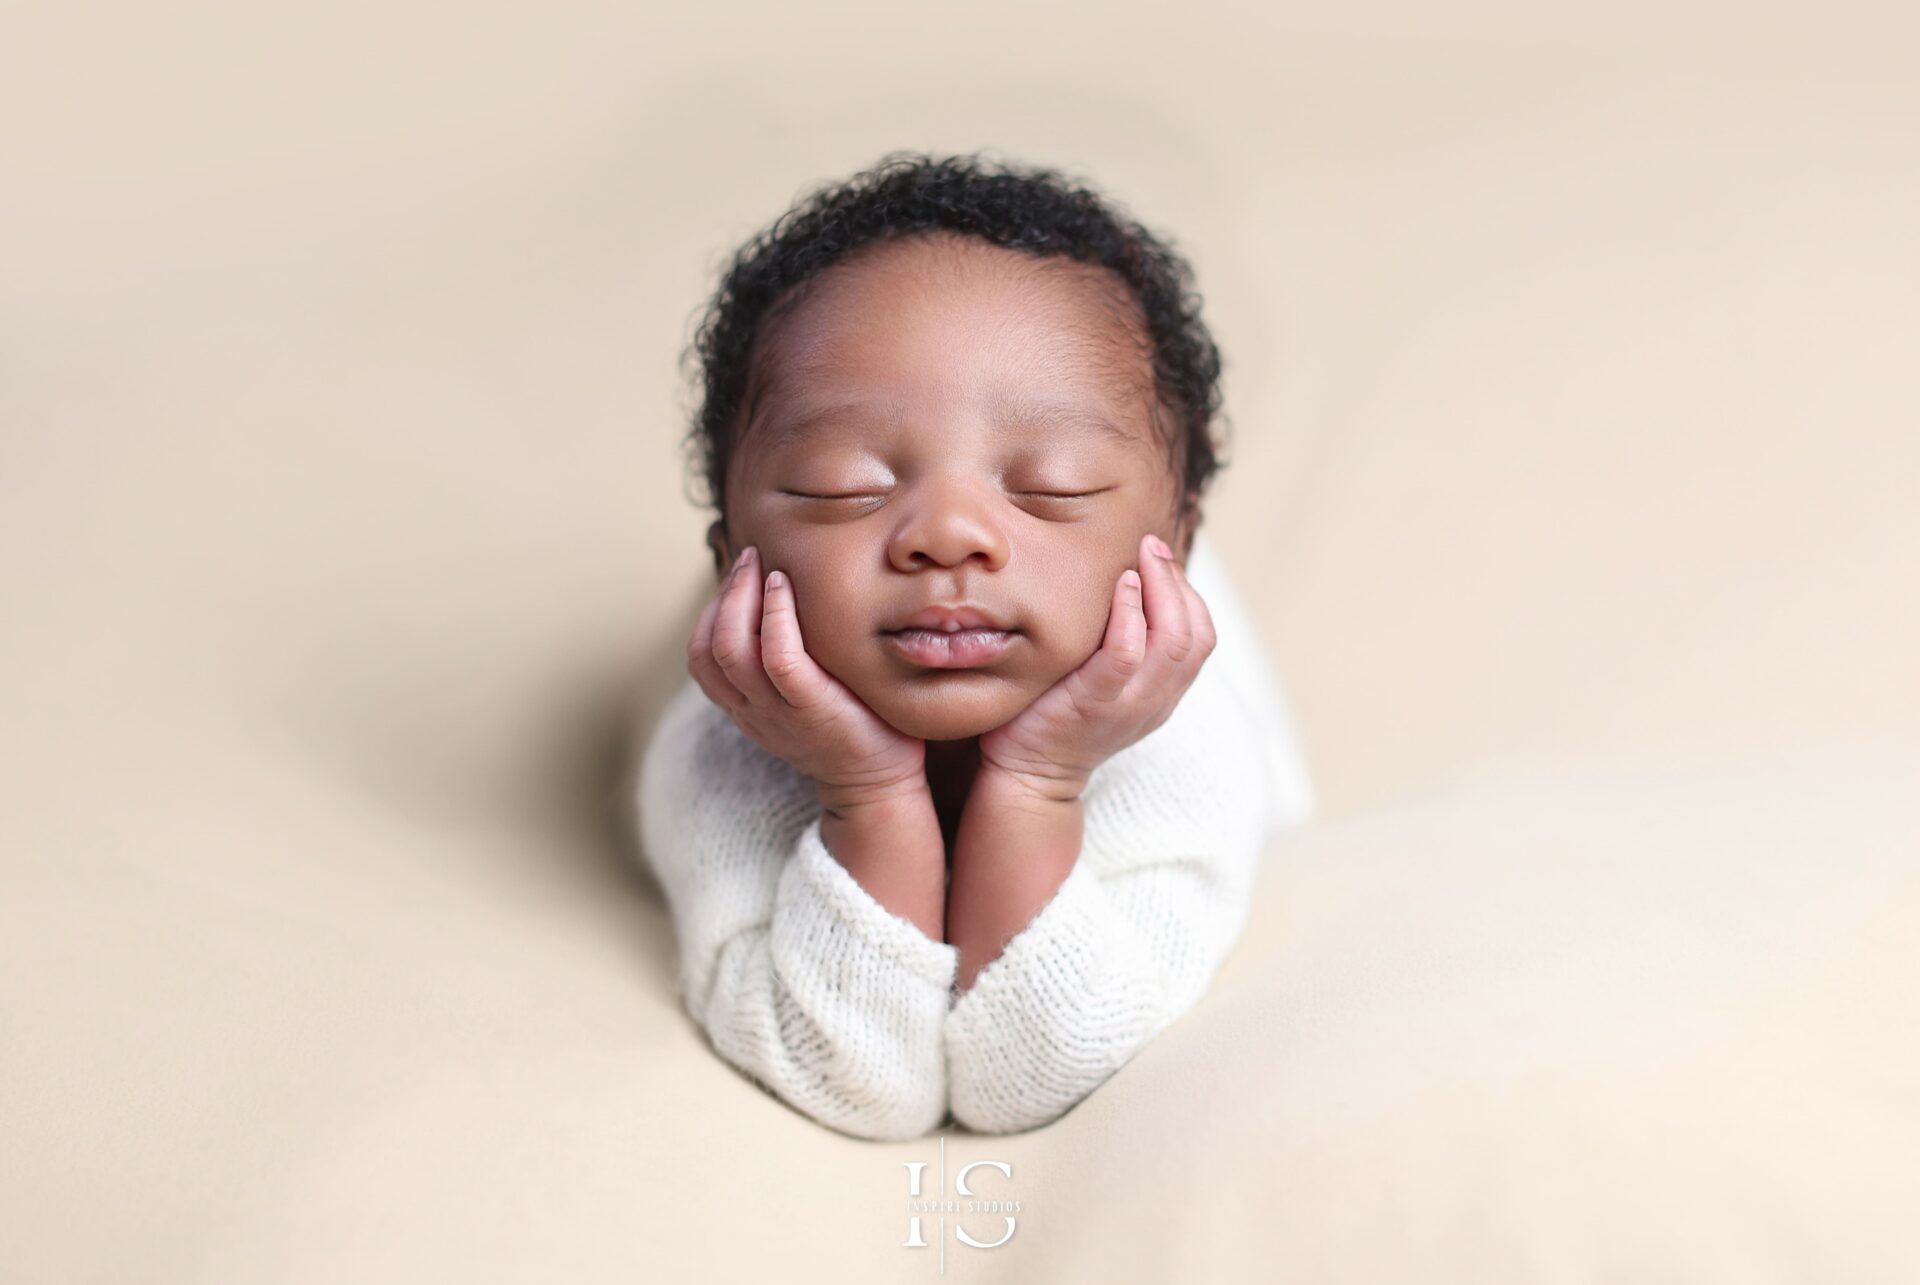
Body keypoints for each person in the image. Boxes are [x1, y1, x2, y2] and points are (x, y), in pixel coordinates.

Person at [632, 150, 1314, 1141]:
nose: (948, 534)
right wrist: (865, 793)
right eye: (841, 484)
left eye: (1052, 484)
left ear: (1180, 541)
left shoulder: (1191, 750)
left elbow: (1031, 1072)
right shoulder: (713, 759)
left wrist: (1039, 781)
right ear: (728, 549)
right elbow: (852, 1077)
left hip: (1118, 629)